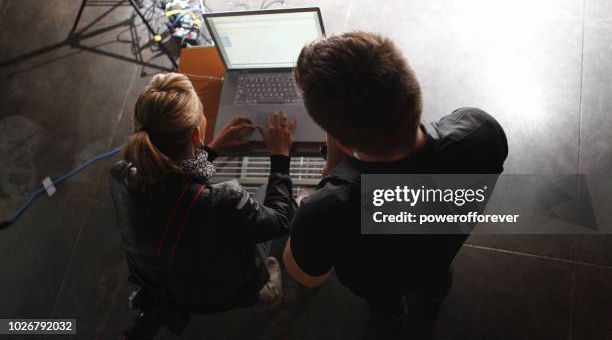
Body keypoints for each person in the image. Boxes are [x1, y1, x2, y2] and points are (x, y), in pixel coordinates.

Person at [283, 31, 508, 330]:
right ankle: (431, 301)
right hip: (439, 255)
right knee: (434, 280)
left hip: (379, 281)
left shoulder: (325, 211)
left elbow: (307, 276)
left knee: (383, 300)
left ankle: (391, 315)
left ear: (346, 143)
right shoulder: (480, 131)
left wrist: (332, 165)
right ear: (415, 92)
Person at [109, 73, 297, 324]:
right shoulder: (225, 202)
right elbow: (281, 220)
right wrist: (281, 157)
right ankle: (268, 294)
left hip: (163, 285)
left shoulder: (120, 174)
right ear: (197, 134)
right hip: (221, 290)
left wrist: (212, 150)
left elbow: (173, 184)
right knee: (275, 196)